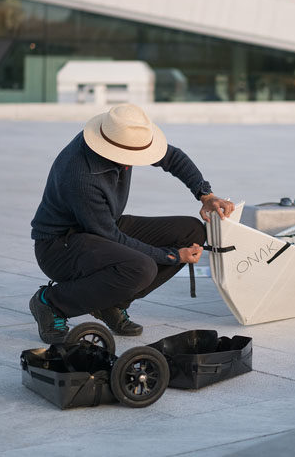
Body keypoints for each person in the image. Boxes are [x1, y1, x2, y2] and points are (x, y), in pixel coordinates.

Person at [28, 104, 234, 343]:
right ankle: (51, 302)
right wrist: (173, 256)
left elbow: (173, 157)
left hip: (100, 228)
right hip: (60, 246)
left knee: (191, 231)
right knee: (141, 268)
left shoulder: (115, 136)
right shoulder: (81, 177)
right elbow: (111, 237)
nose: (133, 162)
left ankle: (111, 304)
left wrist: (206, 195)